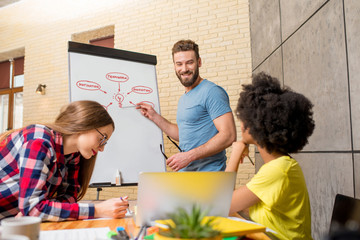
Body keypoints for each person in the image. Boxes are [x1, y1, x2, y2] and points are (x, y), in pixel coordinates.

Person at [0, 100, 128, 221]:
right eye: (102, 138)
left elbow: (69, 197)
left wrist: (38, 210)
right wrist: (97, 210)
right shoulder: (39, 141)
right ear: (84, 124)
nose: (102, 148)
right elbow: (34, 209)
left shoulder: (73, 156)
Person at [226, 72, 315, 240]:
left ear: (256, 124)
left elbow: (222, 203)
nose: (241, 121)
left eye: (244, 117)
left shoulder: (278, 170)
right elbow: (236, 204)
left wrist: (237, 151)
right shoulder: (280, 166)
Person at [137, 39, 236, 171]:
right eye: (179, 64)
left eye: (189, 63)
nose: (184, 69)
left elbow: (229, 135)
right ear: (174, 66)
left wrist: (188, 156)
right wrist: (154, 116)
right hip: (188, 177)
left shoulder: (211, 92)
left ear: (199, 62)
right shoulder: (184, 99)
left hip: (209, 178)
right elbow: (184, 135)